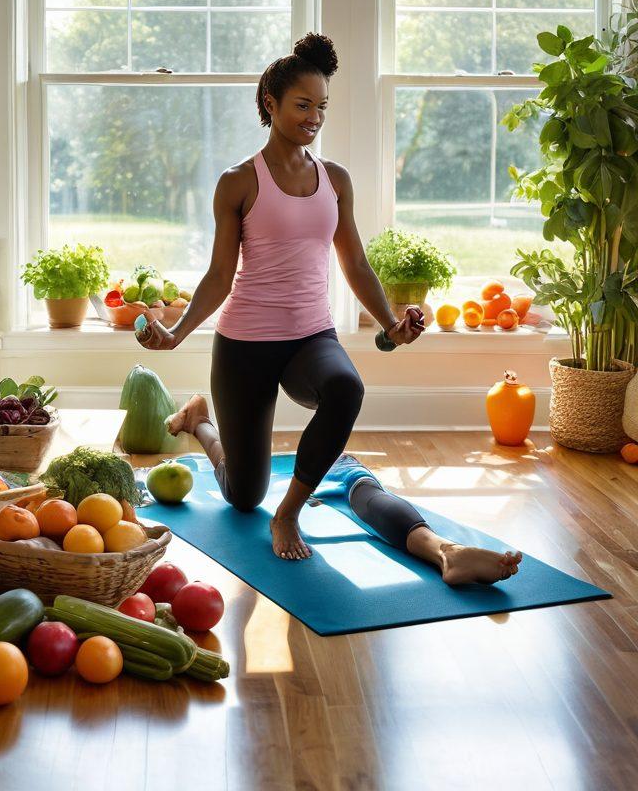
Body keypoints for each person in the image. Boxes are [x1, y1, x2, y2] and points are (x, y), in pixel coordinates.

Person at [137, 32, 522, 585]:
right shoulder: (238, 182)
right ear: (270, 104)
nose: (314, 117)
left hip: (309, 338)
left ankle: (289, 511)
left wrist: (392, 322)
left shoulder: (335, 180)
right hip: (245, 342)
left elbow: (356, 263)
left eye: (322, 107)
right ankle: (200, 422)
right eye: (303, 105)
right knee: (243, 497)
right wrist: (175, 333)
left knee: (346, 387)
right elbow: (221, 275)